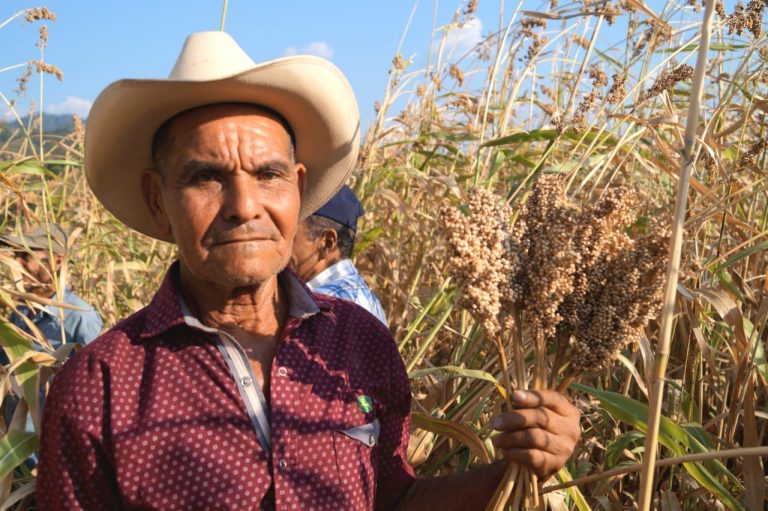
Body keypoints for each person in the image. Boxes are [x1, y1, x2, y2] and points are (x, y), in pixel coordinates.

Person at [37, 32, 580, 510]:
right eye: (206, 177)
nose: (244, 205)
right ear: (158, 199)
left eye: (268, 174)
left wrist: (520, 466)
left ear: (298, 189)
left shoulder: (358, 343)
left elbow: (394, 499)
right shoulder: (100, 386)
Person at [291, 185, 387, 325]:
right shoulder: (358, 294)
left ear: (327, 242)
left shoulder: (325, 305)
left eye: (291, 237)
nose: (279, 246)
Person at [1, 223, 102, 348]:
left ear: (57, 261)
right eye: (16, 255)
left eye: (26, 256)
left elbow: (93, 366)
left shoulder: (81, 317)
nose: (15, 263)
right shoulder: (20, 310)